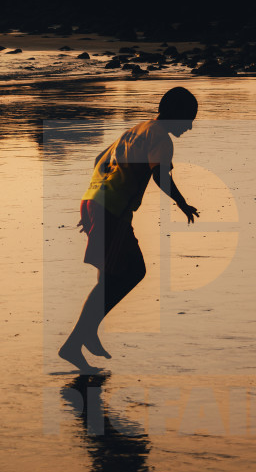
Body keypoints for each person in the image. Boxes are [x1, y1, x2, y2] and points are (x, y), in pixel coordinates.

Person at [59, 86, 200, 373]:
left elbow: (99, 157)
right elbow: (159, 174)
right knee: (133, 271)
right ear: (174, 113)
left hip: (96, 202)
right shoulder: (161, 138)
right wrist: (183, 203)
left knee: (110, 277)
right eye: (189, 118)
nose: (191, 125)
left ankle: (85, 334)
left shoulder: (138, 129)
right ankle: (76, 341)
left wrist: (91, 203)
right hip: (109, 208)